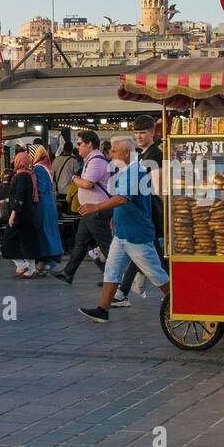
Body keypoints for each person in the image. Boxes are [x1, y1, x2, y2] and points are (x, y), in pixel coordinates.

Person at [78, 135, 172, 322]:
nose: (110, 154)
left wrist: (95, 207)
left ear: (126, 153)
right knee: (111, 271)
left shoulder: (135, 172)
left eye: (114, 151)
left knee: (156, 273)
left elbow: (123, 198)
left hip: (136, 234)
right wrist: (114, 218)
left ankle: (181, 303)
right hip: (123, 233)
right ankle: (102, 310)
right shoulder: (125, 171)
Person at [51, 131, 114, 285]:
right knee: (81, 242)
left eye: (80, 144)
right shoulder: (91, 160)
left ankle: (115, 279)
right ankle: (68, 272)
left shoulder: (96, 161)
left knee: (106, 246)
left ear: (89, 145)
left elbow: (87, 184)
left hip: (97, 209)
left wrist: (74, 178)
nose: (77, 147)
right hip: (89, 210)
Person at [118, 115, 166, 305]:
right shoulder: (143, 154)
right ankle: (122, 291)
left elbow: (158, 187)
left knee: (147, 253)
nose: (138, 136)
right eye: (136, 132)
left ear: (152, 132)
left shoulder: (154, 154)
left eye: (143, 132)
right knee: (144, 251)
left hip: (151, 210)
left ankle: (123, 291)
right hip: (144, 209)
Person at [2, 151, 42, 277]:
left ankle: (21, 265)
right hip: (28, 214)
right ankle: (31, 269)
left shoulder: (21, 176)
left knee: (8, 240)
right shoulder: (29, 175)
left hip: (20, 214)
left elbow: (19, 196)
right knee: (28, 241)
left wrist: (13, 213)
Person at [30, 144, 63, 274]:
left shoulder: (38, 168)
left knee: (43, 232)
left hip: (42, 205)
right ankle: (47, 263)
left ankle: (44, 262)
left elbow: (41, 188)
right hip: (50, 203)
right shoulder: (47, 166)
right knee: (50, 231)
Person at [51, 129, 80, 210]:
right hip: (70, 192)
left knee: (60, 210)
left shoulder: (56, 160)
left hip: (58, 191)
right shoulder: (74, 161)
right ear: (71, 150)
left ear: (63, 149)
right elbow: (77, 176)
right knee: (69, 210)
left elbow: (52, 175)